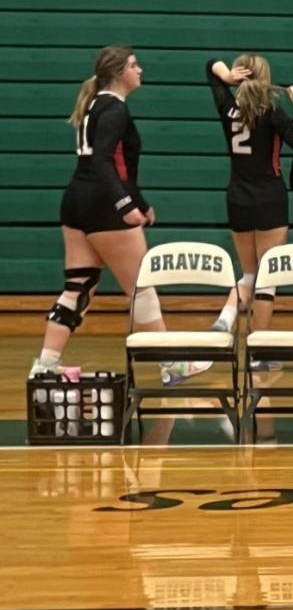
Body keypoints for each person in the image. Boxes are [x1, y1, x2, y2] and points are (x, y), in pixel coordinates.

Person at [30, 45, 208, 385]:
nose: (139, 69)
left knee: (77, 288)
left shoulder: (95, 104)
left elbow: (120, 166)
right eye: (133, 64)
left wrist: (138, 200)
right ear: (117, 73)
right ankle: (172, 365)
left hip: (77, 201)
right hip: (102, 203)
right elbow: (103, 162)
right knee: (141, 287)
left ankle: (45, 365)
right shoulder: (114, 109)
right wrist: (124, 205)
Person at [204, 54, 293, 338]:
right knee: (267, 278)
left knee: (249, 274)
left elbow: (210, 65)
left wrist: (225, 77)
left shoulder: (227, 107)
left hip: (237, 198)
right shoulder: (271, 111)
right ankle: (258, 349)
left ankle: (226, 319)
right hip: (269, 199)